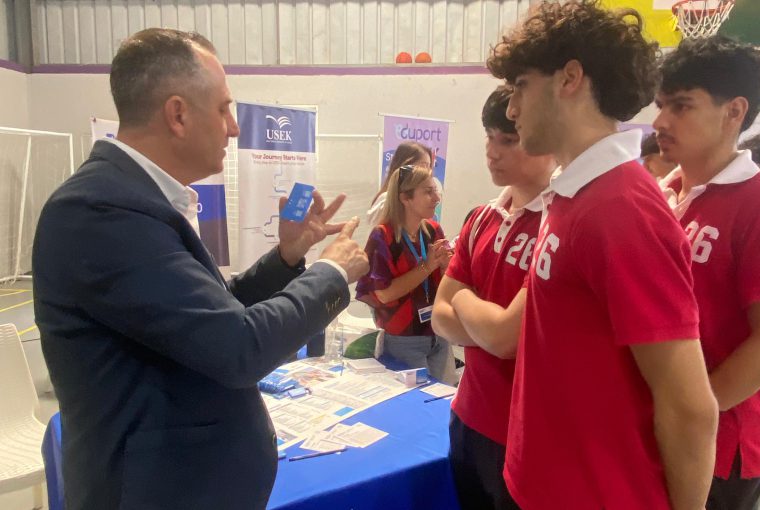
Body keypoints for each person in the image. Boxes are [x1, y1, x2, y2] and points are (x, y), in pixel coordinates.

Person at [32, 28, 368, 510]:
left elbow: (206, 316)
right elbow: (238, 347)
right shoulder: (102, 211)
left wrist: (287, 259)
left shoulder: (133, 201)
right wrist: (331, 274)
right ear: (178, 114)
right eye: (224, 109)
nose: (233, 127)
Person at [451, 2, 718, 509]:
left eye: (521, 87)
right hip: (541, 484)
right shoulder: (573, 196)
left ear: (569, 78)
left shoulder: (623, 209)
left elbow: (690, 407)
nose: (511, 109)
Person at [654, 35, 760, 510]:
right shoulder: (659, 195)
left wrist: (690, 417)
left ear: (734, 111)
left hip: (717, 447)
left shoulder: (757, 204)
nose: (660, 121)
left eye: (681, 106)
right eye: (661, 105)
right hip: (652, 429)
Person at [432, 85, 555, 509]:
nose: (493, 151)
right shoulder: (482, 217)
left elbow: (506, 339)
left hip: (524, 432)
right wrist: (480, 319)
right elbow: (438, 318)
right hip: (468, 415)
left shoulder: (559, 223)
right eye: (489, 137)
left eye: (509, 139)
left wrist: (463, 298)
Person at [356, 164, 456, 384]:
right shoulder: (383, 236)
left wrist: (446, 266)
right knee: (416, 406)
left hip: (438, 333)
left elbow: (443, 281)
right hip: (404, 339)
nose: (436, 198)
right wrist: (427, 267)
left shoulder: (432, 230)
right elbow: (383, 294)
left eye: (435, 190)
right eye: (428, 192)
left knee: (440, 402)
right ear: (405, 198)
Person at [367, 141, 433, 225]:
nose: (427, 172)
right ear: (405, 166)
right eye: (423, 165)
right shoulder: (386, 201)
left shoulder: (419, 201)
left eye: (429, 166)